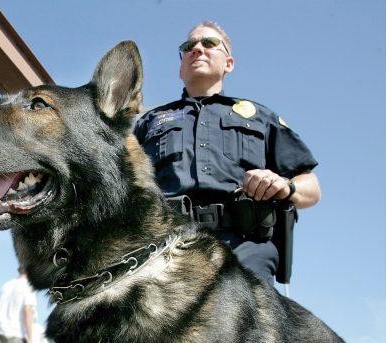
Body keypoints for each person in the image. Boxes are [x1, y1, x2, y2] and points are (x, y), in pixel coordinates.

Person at [134, 21, 321, 284]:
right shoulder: (149, 121)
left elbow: (311, 187)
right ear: (180, 68)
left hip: (244, 246)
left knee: (246, 321)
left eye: (209, 43)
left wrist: (285, 185)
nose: (197, 49)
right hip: (164, 246)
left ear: (228, 63)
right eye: (189, 46)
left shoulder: (260, 117)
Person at [0, 267, 37, 343]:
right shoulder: (28, 286)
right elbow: (28, 310)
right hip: (15, 335)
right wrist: (30, 338)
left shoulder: (6, 285)